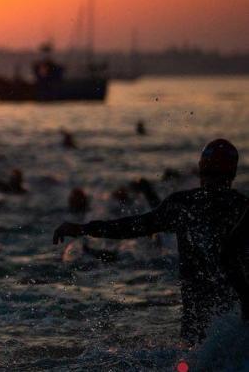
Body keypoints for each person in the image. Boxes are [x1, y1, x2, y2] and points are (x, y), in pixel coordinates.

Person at [52, 139, 249, 345]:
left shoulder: (184, 205)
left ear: (201, 168)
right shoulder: (242, 208)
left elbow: (133, 226)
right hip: (239, 319)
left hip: (196, 324)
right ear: (233, 173)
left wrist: (83, 228)